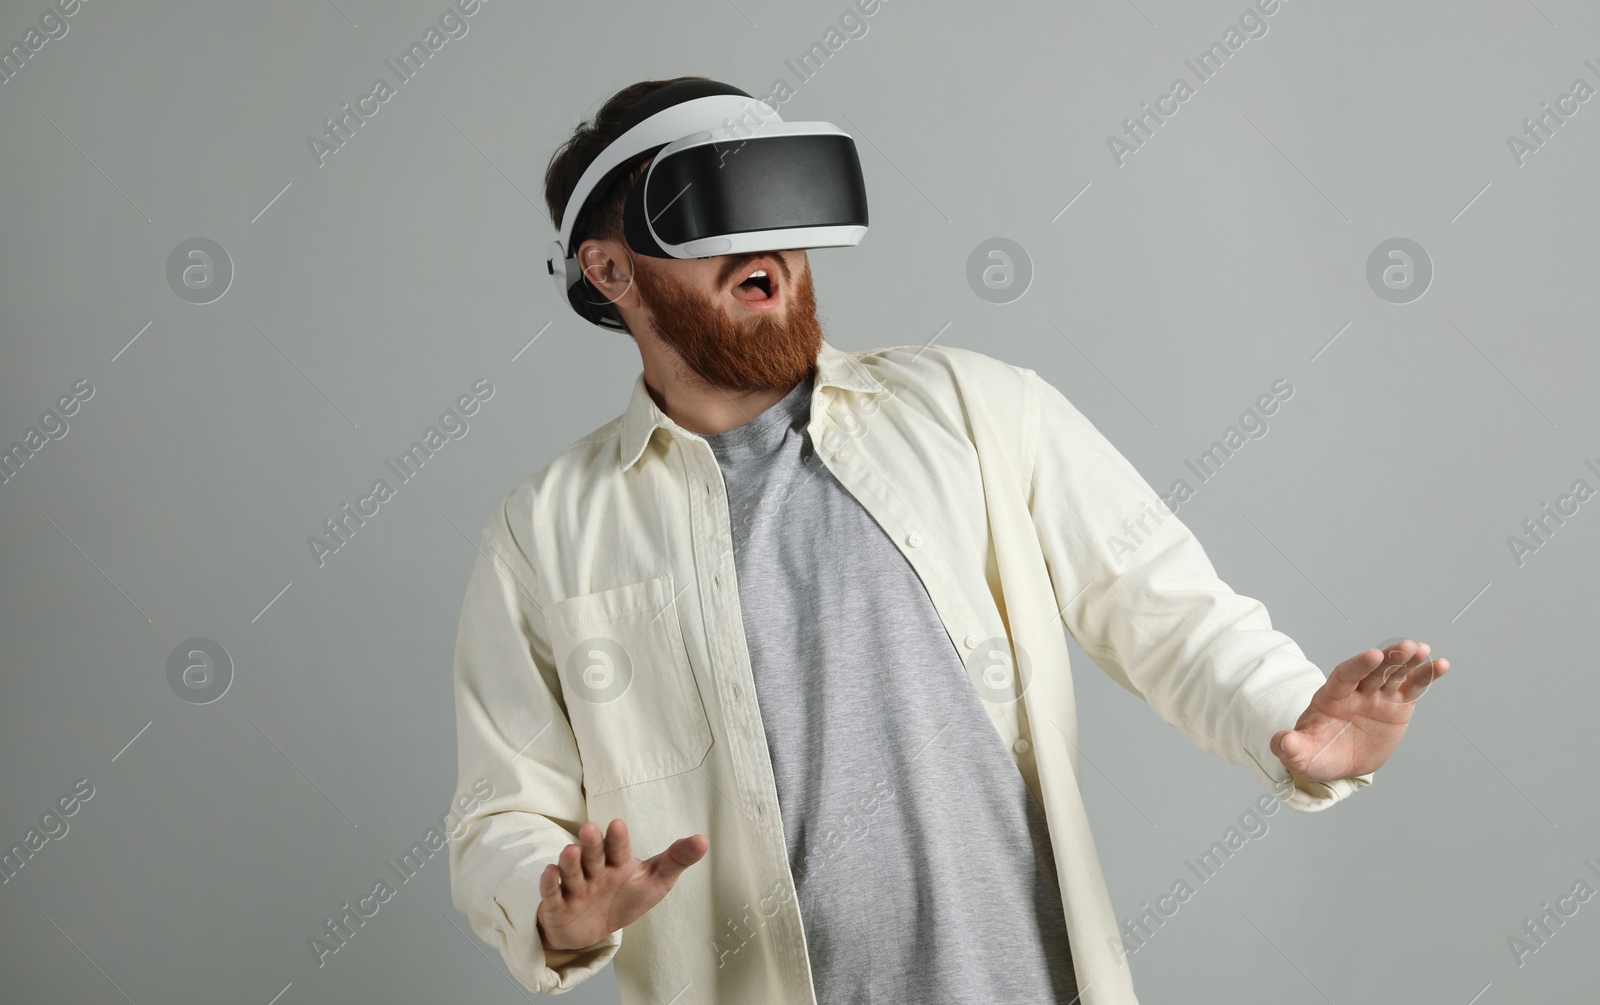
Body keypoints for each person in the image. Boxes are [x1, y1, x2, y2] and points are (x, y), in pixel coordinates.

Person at [446, 75, 1449, 1005]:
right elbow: (501, 809)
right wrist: (551, 904)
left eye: (779, 203)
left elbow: (1168, 609)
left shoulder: (979, 408)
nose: (771, 247)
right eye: (712, 214)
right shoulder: (546, 532)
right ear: (611, 268)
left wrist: (1295, 723)